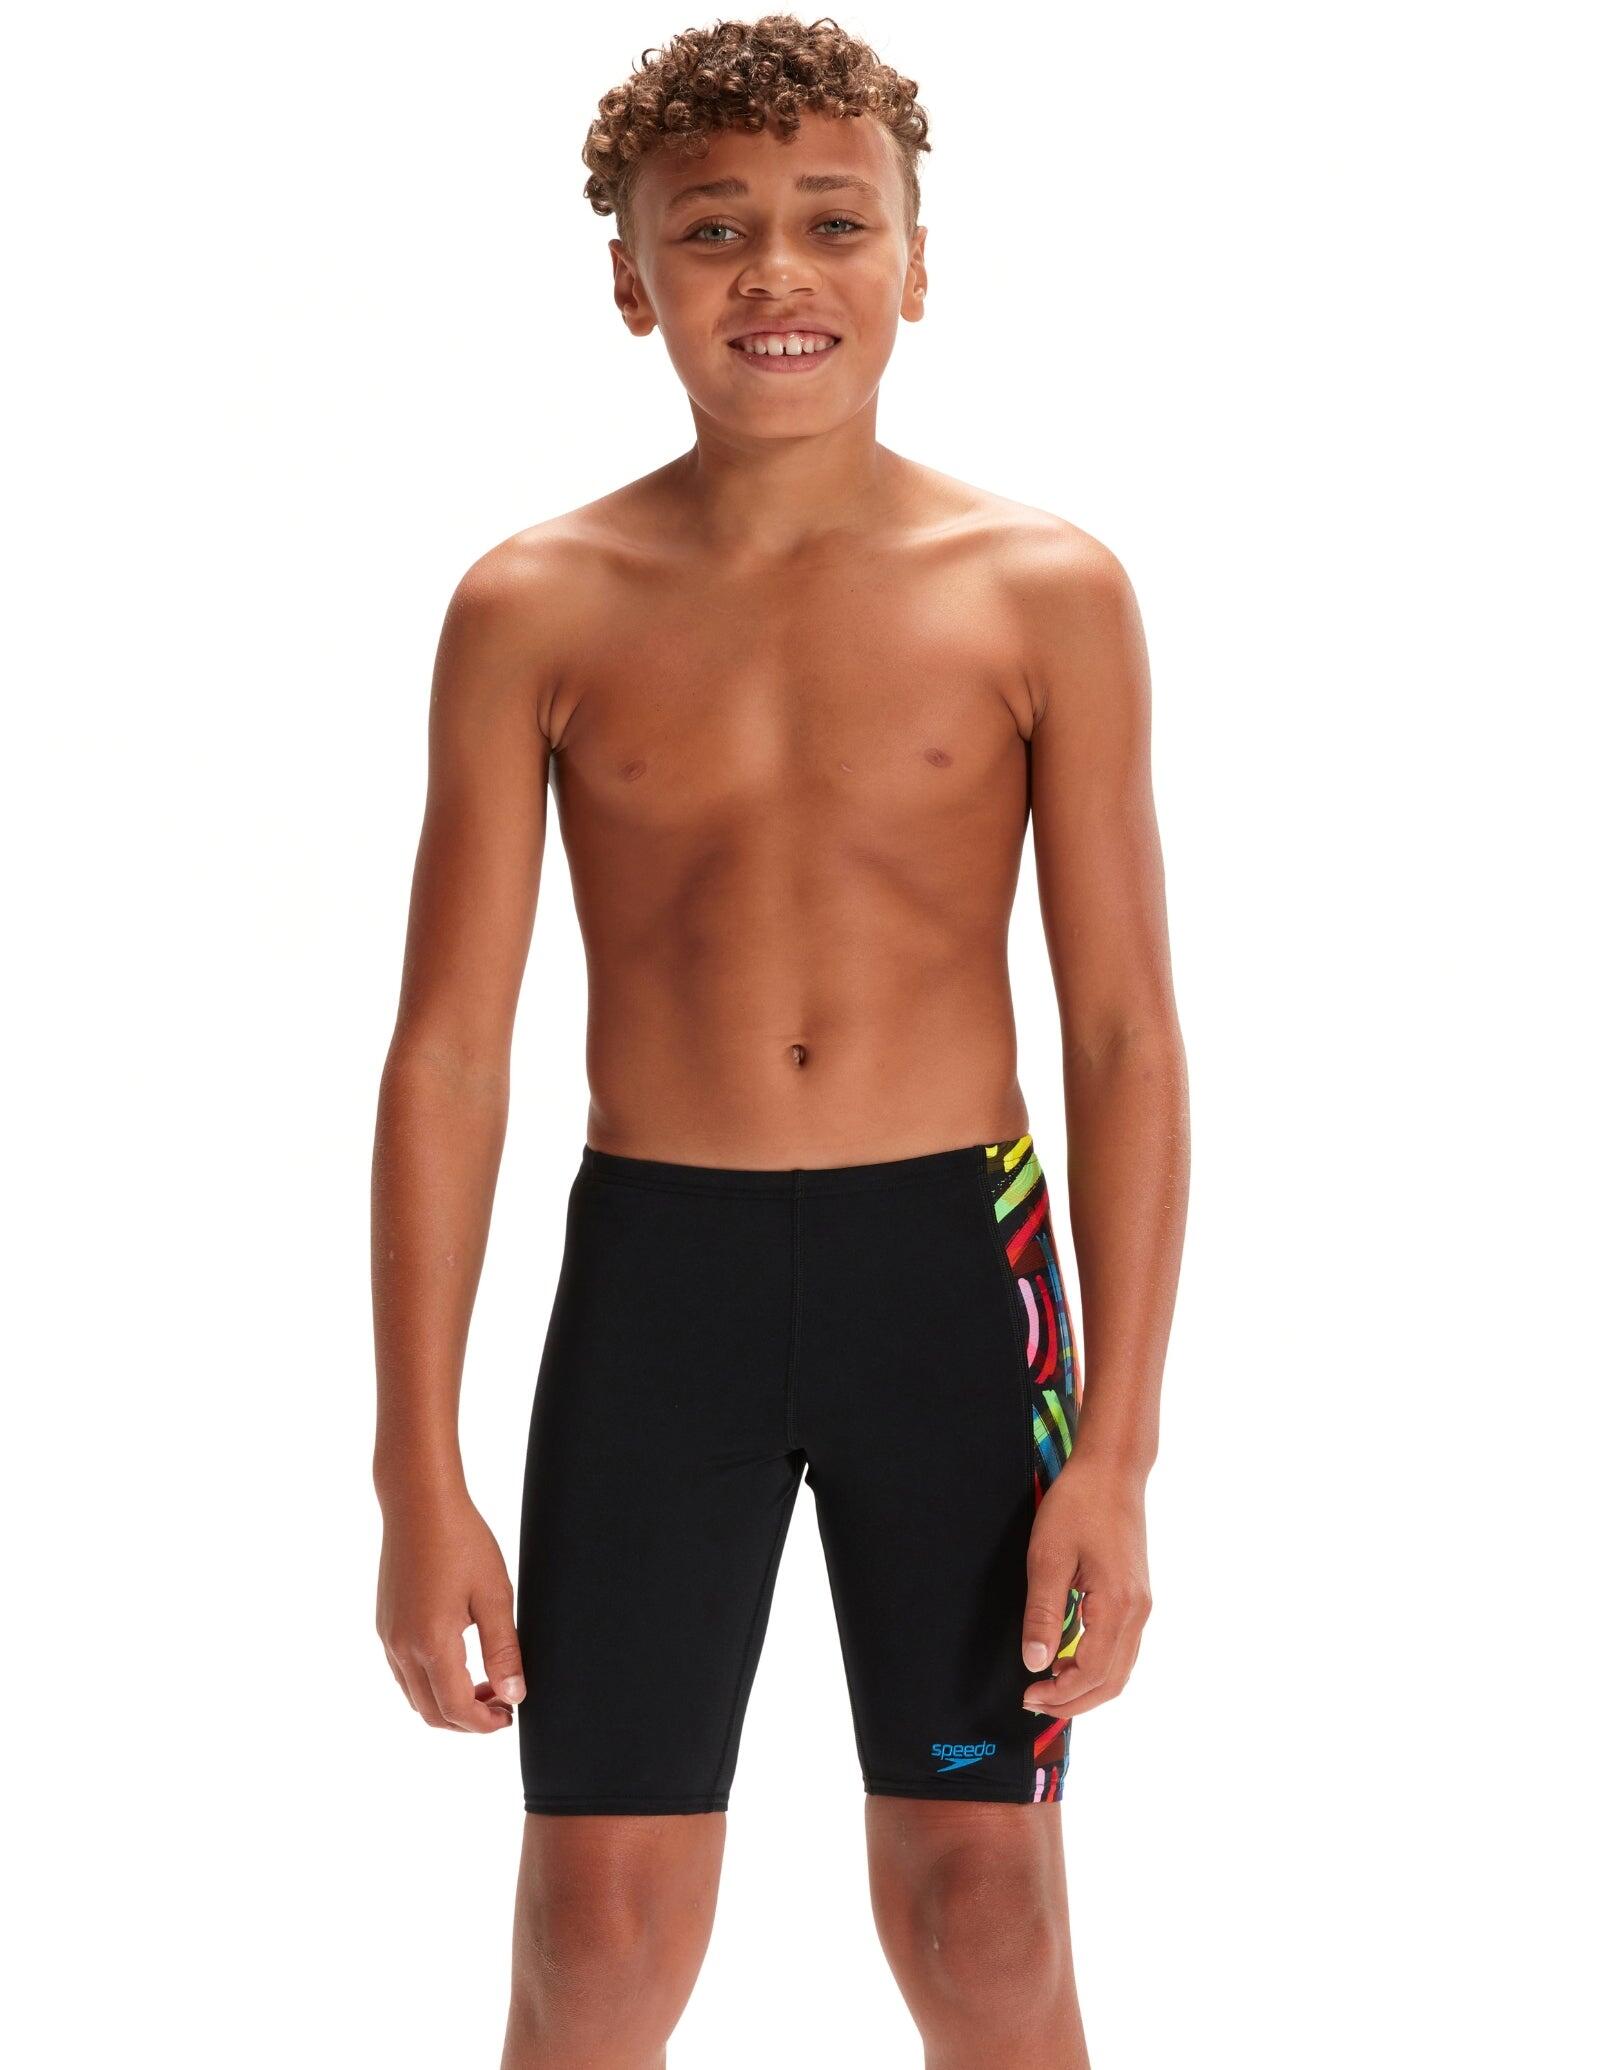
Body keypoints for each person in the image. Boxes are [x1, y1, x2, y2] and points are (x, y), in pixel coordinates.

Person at [370, 15, 1190, 2067]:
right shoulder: (537, 603)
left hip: (957, 1276)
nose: (775, 273)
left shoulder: (1041, 589)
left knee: (986, 1916)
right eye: (713, 228)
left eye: (834, 222)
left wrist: (1118, 1452)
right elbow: (449, 1053)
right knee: (595, 1933)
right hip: (665, 1278)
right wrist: (415, 1469)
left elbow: (1120, 1030)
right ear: (630, 278)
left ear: (917, 260)